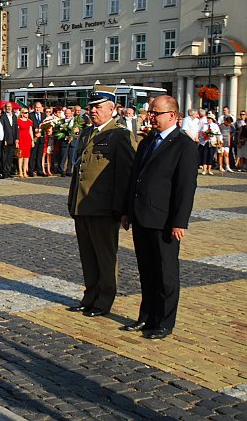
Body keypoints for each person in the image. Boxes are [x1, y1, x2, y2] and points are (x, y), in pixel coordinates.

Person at [121, 95, 197, 339]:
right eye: (150, 112)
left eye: (156, 113)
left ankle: (164, 322)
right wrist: (127, 211)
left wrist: (179, 221)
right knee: (147, 271)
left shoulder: (183, 145)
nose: (150, 116)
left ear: (172, 116)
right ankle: (146, 317)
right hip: (141, 215)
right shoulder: (147, 141)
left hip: (164, 221)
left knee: (165, 274)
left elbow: (185, 187)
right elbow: (134, 179)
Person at [67, 85, 136, 317]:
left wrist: (122, 209)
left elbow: (126, 175)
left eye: (97, 107)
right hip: (82, 204)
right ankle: (90, 296)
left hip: (104, 208)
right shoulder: (86, 133)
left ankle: (104, 300)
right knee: (87, 255)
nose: (92, 111)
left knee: (105, 257)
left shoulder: (120, 135)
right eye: (90, 107)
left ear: (112, 108)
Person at [1, 102, 19, 178]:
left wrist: (17, 139)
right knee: (4, 157)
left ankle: (8, 171)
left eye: (10, 107)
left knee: (10, 157)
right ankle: (4, 172)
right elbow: (2, 129)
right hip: (6, 139)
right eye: (7, 107)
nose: (9, 108)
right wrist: (4, 139)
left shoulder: (14, 116)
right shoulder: (2, 116)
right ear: (5, 108)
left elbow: (16, 129)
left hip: (13, 139)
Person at [17, 108, 33, 177]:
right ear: (22, 113)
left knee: (27, 156)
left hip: (27, 139)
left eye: (27, 112)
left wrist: (32, 140)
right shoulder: (18, 121)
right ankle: (20, 171)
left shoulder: (29, 121)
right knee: (20, 156)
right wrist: (17, 140)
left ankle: (25, 171)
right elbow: (17, 131)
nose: (27, 114)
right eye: (25, 112)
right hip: (21, 139)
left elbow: (30, 131)